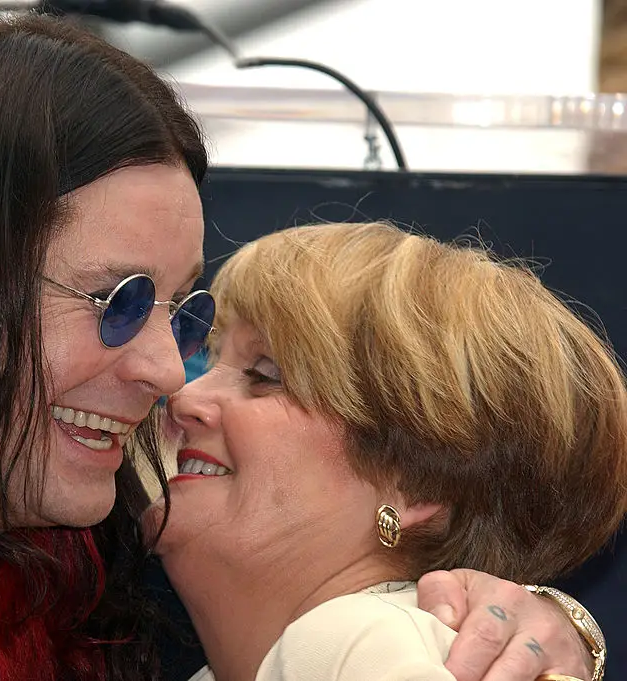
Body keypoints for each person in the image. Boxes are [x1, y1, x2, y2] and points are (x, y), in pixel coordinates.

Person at [0, 14, 597, 681]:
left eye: (179, 311)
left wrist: (534, 620)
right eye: (117, 300)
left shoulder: (119, 583)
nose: (170, 372)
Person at [153, 221, 625, 681]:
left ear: (420, 483)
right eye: (213, 357)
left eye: (265, 373)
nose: (185, 398)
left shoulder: (353, 644)